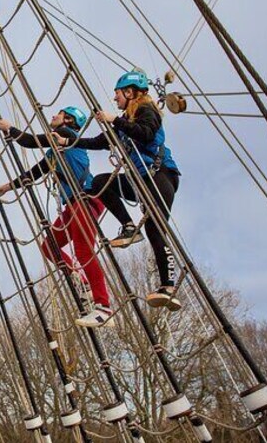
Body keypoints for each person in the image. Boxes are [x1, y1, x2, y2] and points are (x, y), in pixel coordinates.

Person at [53, 71, 181, 311]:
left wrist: (115, 120)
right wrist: (67, 143)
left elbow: (146, 133)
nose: (115, 98)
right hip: (139, 181)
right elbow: (97, 143)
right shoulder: (124, 122)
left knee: (155, 226)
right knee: (101, 182)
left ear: (130, 92)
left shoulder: (147, 111)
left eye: (118, 94)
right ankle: (129, 226)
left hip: (160, 176)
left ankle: (169, 286)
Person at [0, 106, 113, 328]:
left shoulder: (68, 136)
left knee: (84, 250)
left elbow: (30, 141)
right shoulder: (55, 152)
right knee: (49, 246)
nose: (53, 116)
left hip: (85, 200)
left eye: (59, 114)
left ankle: (103, 307)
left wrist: (10, 129)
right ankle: (82, 282)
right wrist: (8, 187)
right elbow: (34, 173)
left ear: (68, 120)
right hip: (72, 205)